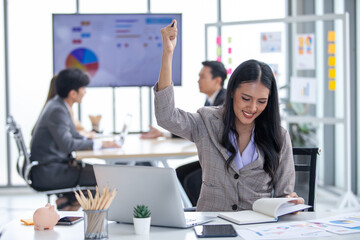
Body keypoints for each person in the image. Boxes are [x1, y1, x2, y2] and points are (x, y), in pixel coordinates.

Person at [154, 20, 304, 211]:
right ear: (232, 91)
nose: (252, 108)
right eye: (246, 98)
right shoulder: (207, 121)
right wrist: (168, 54)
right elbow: (166, 116)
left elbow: (284, 194)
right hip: (211, 223)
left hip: (256, 228)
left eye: (261, 101)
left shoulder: (279, 136)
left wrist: (290, 201)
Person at [30, 68, 120, 210]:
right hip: (51, 172)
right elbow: (67, 144)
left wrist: (98, 141)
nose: (85, 92)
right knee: (105, 177)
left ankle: (68, 202)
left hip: (52, 167)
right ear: (73, 93)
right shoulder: (58, 110)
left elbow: (74, 135)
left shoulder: (59, 105)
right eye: (83, 88)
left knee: (101, 173)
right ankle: (71, 203)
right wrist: (99, 143)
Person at [141, 60, 227, 139]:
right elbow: (198, 129)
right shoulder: (209, 101)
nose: (198, 81)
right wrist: (163, 134)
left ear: (217, 81)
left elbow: (201, 130)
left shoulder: (224, 103)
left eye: (202, 77)